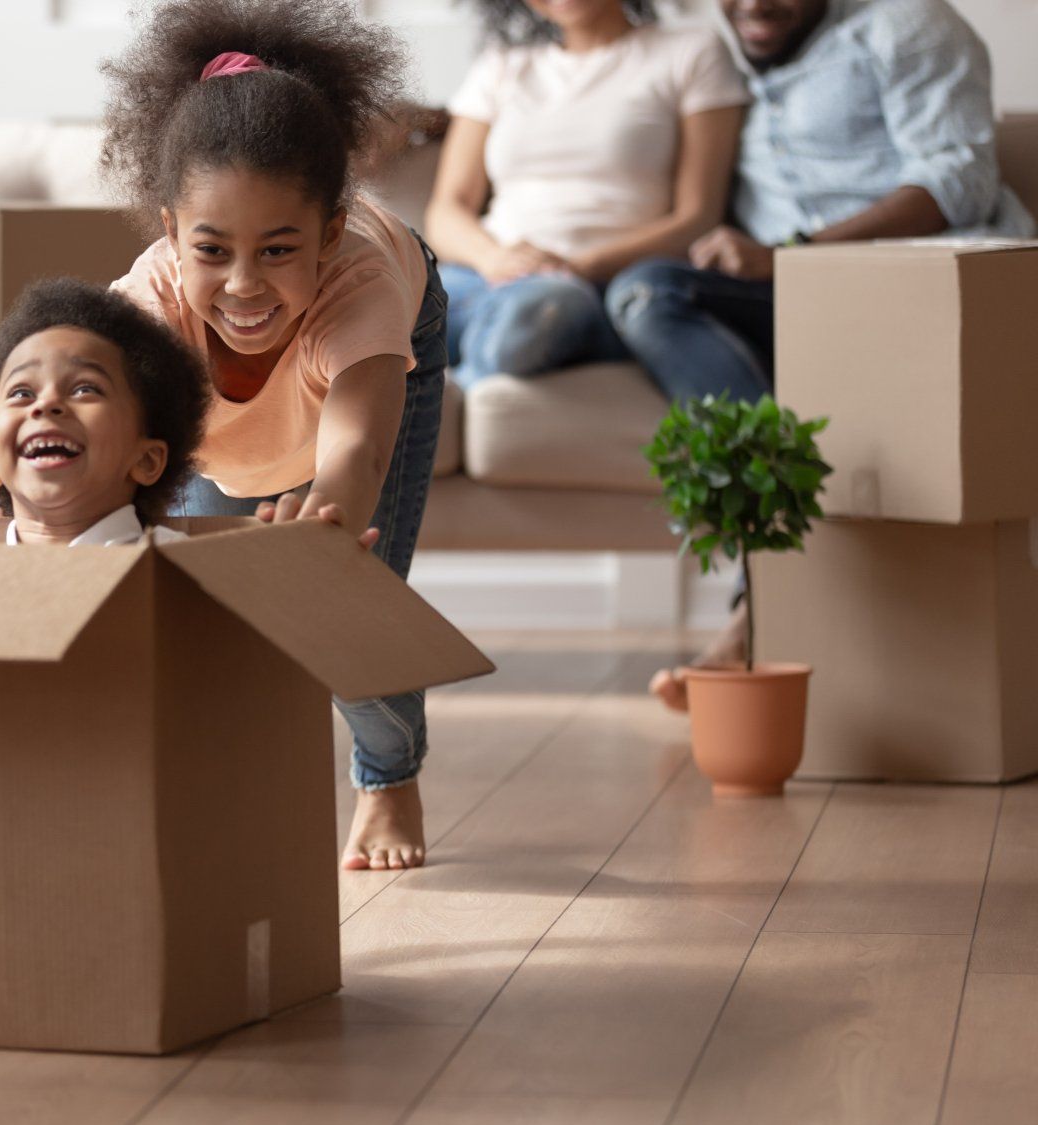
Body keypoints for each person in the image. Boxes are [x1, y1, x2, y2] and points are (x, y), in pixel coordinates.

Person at [102, 0, 443, 871]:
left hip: (379, 364)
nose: (245, 286)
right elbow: (102, 461)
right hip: (224, 434)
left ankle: (388, 778)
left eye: (280, 249)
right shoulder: (148, 311)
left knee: (337, 600)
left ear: (329, 236)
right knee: (215, 613)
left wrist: (321, 529)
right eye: (213, 250)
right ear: (172, 235)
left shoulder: (356, 287)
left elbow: (357, 453)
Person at [628, 0, 1035, 707]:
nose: (754, 5)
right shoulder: (720, 56)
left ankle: (759, 602)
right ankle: (777, 527)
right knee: (645, 292)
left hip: (914, 283)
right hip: (789, 295)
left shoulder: (906, 25)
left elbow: (958, 180)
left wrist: (800, 256)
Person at [428, 0, 748, 384]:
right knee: (389, 306)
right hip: (482, 277)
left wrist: (577, 267)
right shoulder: (501, 67)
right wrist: (496, 259)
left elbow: (697, 217)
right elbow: (446, 210)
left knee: (543, 310)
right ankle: (475, 361)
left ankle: (462, 381)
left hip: (591, 287)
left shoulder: (691, 51)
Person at [0, 278, 212, 547]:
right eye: (22, 393)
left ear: (146, 460)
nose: (46, 404)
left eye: (85, 389)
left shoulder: (182, 565)